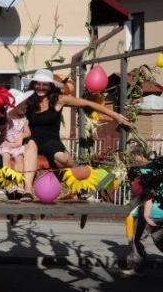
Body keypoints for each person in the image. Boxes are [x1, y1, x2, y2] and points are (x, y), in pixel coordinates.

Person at [21, 68, 130, 201]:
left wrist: (114, 115)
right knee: (30, 144)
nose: (41, 87)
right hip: (31, 138)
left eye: (45, 84)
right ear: (33, 85)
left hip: (51, 139)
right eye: (38, 84)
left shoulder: (59, 100)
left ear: (50, 86)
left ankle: (79, 178)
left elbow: (88, 103)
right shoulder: (26, 101)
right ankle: (27, 191)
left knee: (62, 157)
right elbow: (9, 110)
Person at [0, 89, 32, 173]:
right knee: (5, 156)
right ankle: (7, 180)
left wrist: (21, 136)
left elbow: (28, 132)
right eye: (23, 105)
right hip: (6, 144)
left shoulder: (23, 118)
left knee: (19, 158)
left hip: (17, 145)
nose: (25, 106)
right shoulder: (5, 119)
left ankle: (17, 181)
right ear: (16, 106)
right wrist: (4, 143)